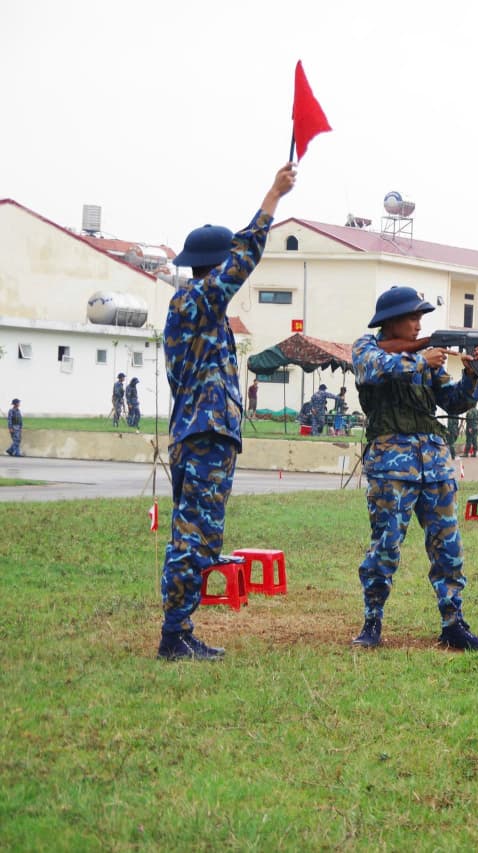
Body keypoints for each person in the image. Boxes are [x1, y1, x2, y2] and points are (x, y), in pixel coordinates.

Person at [156, 162, 296, 662]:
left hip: (203, 434)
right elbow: (245, 258)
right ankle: (174, 636)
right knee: (193, 537)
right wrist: (272, 197)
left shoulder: (201, 310)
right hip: (203, 435)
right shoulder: (195, 301)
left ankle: (181, 629)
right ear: (214, 269)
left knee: (198, 535)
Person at [350, 286, 478, 651]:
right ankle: (372, 620)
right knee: (385, 546)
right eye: (412, 317)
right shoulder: (367, 347)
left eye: (420, 318)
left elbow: (455, 403)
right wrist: (420, 360)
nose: (417, 324)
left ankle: (453, 623)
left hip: (435, 464)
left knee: (448, 547)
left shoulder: (428, 361)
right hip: (391, 464)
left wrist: (472, 373)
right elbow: (371, 370)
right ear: (390, 321)